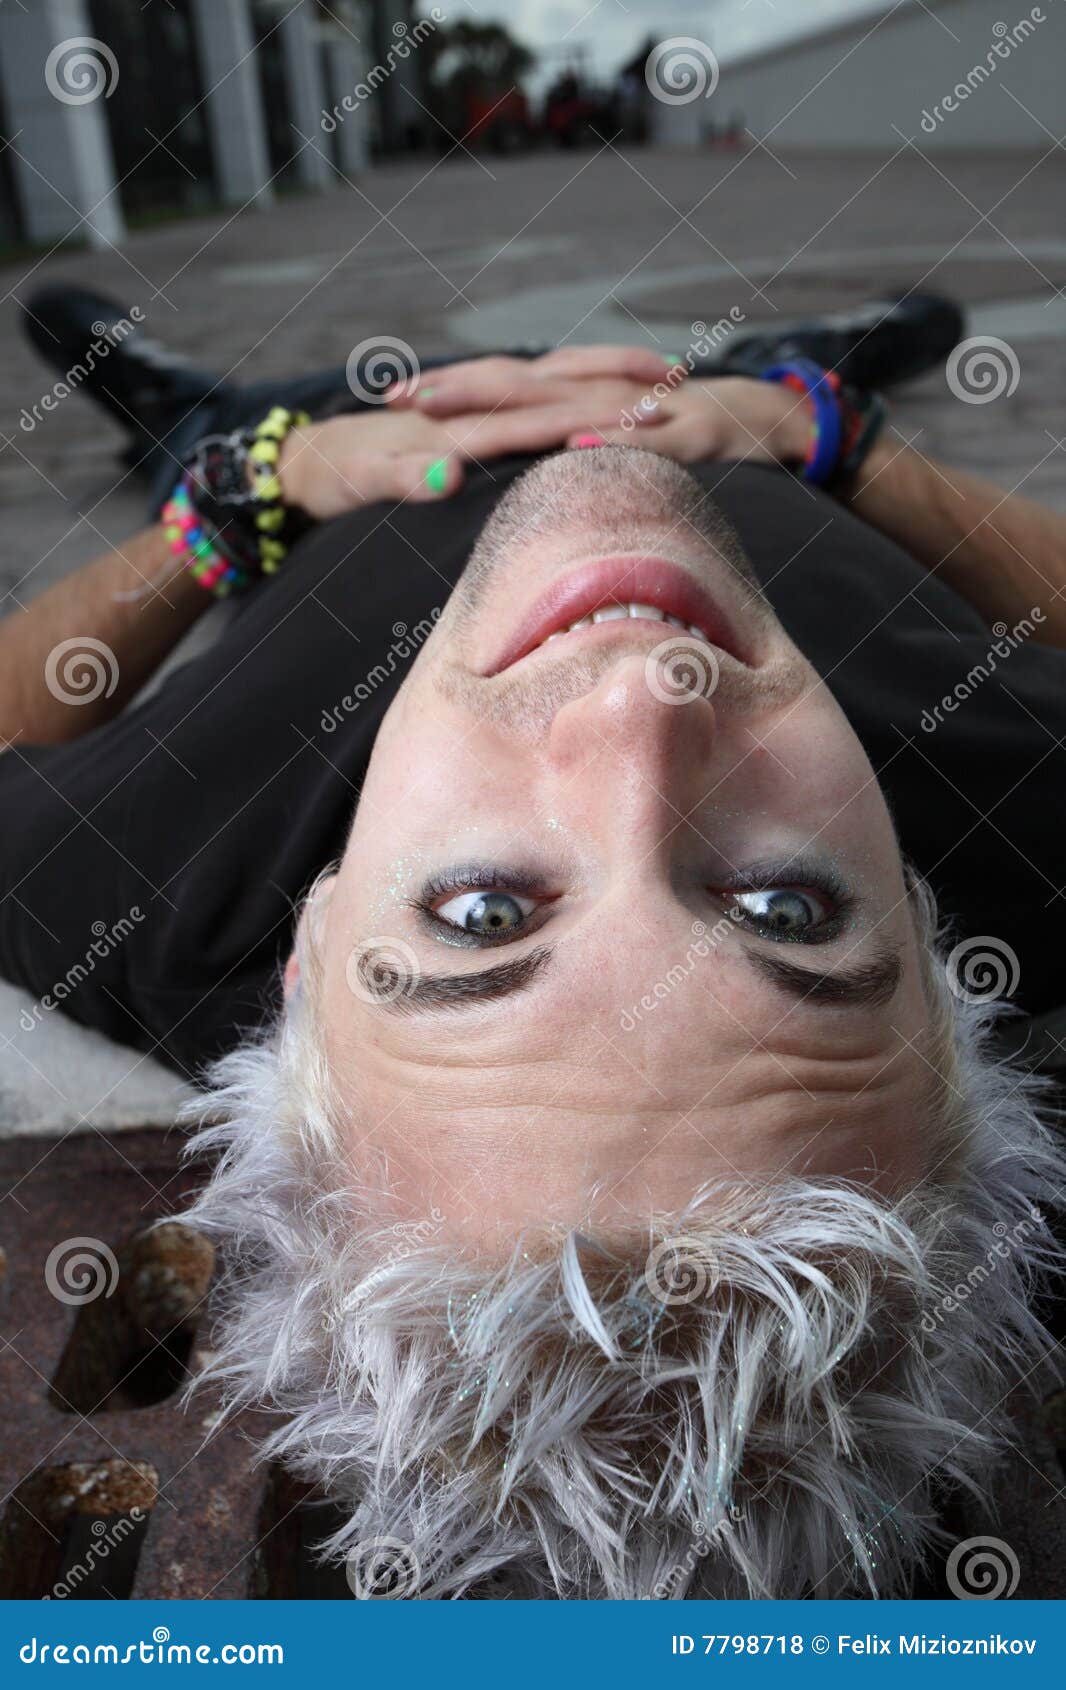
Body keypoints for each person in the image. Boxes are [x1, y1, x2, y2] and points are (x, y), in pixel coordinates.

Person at [2, 290, 1064, 1601]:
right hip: (714, 428)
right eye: (787, 908)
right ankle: (807, 366)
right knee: (789, 377)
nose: (638, 710)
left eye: (482, 915)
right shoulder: (1022, 802)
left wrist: (231, 506)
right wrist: (833, 444)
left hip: (371, 432)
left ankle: (188, 415)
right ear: (934, 957)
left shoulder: (152, 879)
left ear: (310, 969)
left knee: (219, 423)